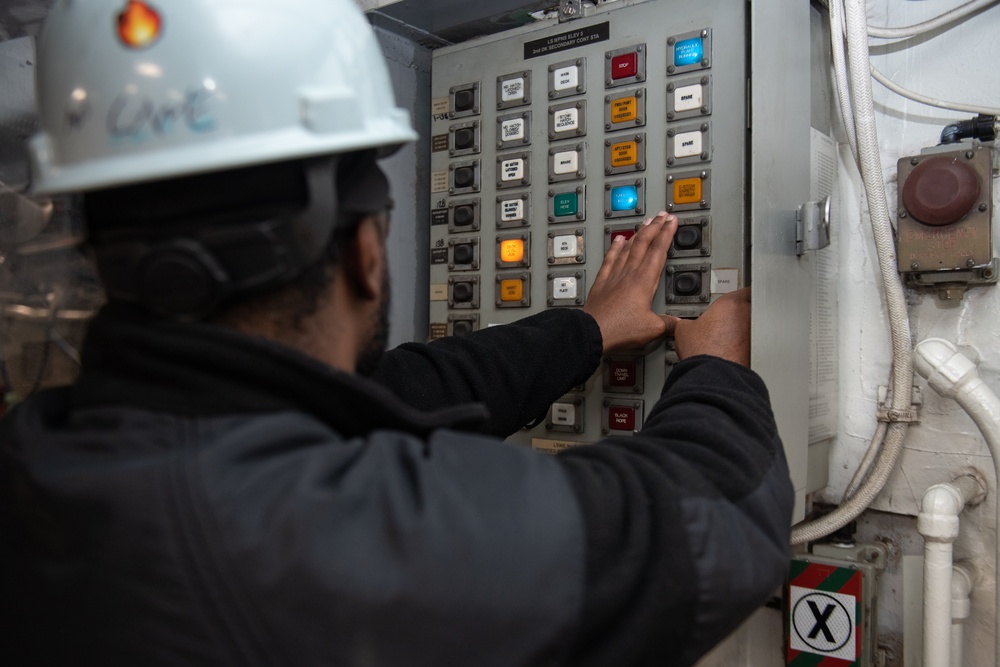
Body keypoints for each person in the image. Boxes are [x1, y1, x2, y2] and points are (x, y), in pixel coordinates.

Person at [0, 1, 793, 665]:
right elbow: (712, 522)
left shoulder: (43, 452)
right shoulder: (354, 540)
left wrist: (583, 332)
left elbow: (401, 391)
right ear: (366, 250)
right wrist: (719, 371)